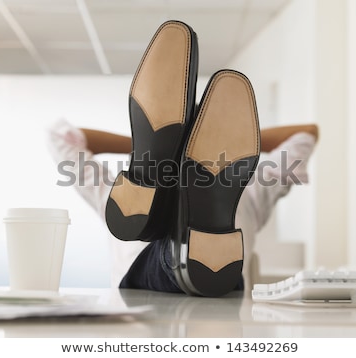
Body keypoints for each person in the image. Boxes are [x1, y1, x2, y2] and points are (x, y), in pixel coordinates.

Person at [47, 20, 318, 297]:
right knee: (201, 268)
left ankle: (156, 173)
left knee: (163, 261)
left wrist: (164, 152)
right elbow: (306, 134)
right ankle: (200, 228)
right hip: (222, 300)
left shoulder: (109, 194)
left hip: (137, 307)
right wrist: (235, 142)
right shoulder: (251, 194)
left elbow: (60, 136)